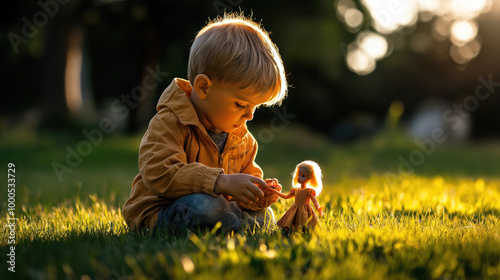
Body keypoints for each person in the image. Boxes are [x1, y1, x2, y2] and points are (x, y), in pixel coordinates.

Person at [122, 13, 288, 234]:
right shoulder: (169, 122)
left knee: (265, 216)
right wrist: (220, 182)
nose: (249, 116)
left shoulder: (242, 138)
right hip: (162, 210)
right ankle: (228, 223)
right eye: (240, 104)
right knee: (203, 207)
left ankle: (230, 224)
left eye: (255, 107)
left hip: (219, 206)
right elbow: (160, 174)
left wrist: (259, 194)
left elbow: (245, 182)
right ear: (203, 88)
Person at [270, 160, 324, 230]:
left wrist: (318, 209)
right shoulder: (295, 190)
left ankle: (305, 230)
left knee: (306, 221)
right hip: (295, 209)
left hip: (305, 210)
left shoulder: (309, 191)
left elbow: (315, 201)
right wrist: (275, 191)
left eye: (303, 176)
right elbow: (286, 196)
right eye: (299, 175)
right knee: (293, 219)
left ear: (309, 178)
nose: (299, 177)